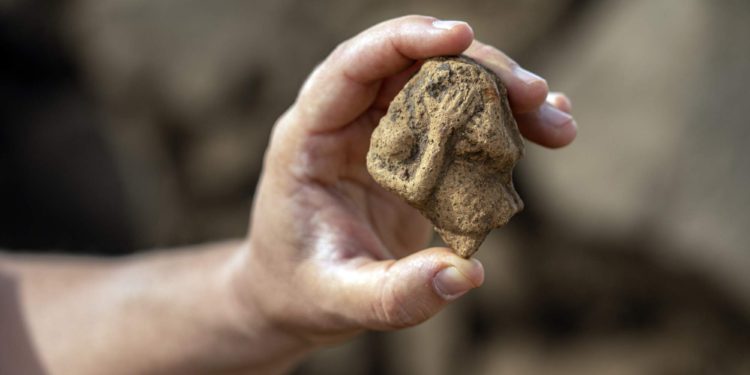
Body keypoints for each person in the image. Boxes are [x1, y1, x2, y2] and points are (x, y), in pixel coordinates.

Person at [0, 16, 576, 375]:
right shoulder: (420, 124)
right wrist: (441, 139)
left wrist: (253, 293)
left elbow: (501, 153)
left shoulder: (456, 105)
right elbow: (399, 172)